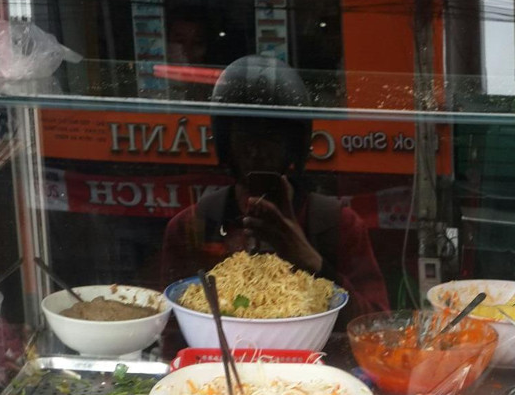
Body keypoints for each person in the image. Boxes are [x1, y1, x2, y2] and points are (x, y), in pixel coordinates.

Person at [161, 55, 389, 319]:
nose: (257, 151)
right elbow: (171, 325)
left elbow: (375, 323)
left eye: (271, 136)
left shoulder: (339, 225)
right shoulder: (192, 226)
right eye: (246, 135)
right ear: (226, 143)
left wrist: (311, 261)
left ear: (294, 145)